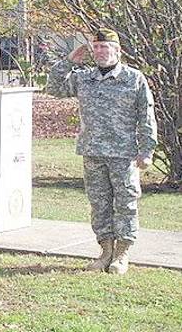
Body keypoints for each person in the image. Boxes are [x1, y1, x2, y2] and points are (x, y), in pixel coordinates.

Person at [47, 27, 157, 275]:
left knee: (125, 203)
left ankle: (122, 254)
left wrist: (147, 150)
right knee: (99, 205)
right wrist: (68, 62)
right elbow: (54, 88)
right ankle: (105, 252)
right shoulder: (84, 77)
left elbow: (146, 116)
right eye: (96, 48)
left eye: (105, 47)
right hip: (93, 152)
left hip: (123, 154)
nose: (100, 52)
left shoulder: (133, 79)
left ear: (117, 51)